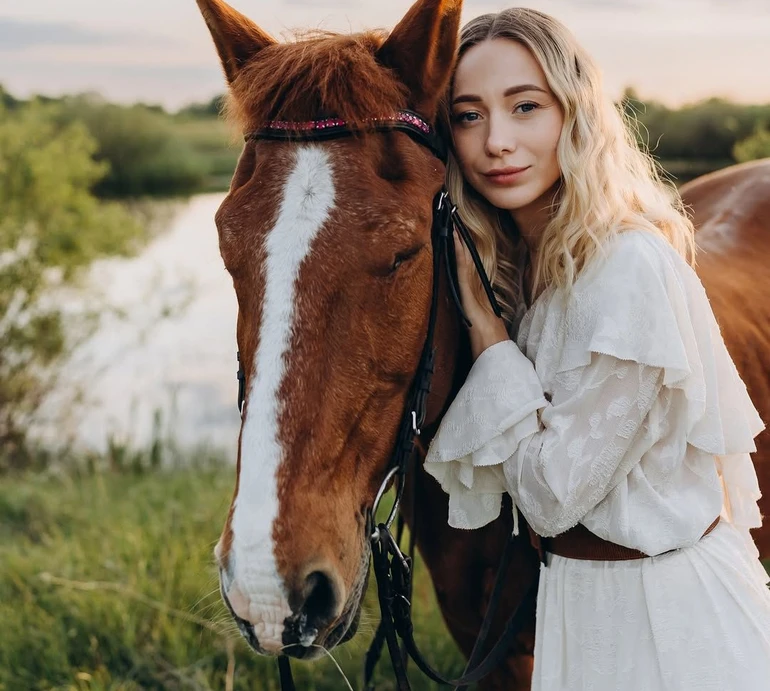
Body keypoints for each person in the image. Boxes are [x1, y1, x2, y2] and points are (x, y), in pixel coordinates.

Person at [423, 8, 770, 691]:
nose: (497, 141)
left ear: (575, 113)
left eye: (525, 107)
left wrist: (491, 341)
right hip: (581, 604)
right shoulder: (531, 272)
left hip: (672, 618)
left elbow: (553, 498)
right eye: (468, 115)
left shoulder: (630, 268)